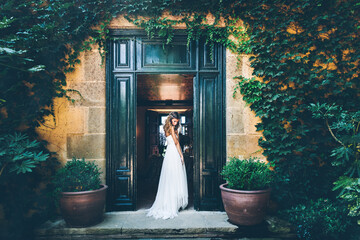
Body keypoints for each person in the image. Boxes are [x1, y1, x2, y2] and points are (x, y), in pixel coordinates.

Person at [146, 111, 188, 219]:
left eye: (177, 121)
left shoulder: (166, 129)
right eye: (174, 121)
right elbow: (176, 143)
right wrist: (181, 155)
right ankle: (173, 203)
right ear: (170, 120)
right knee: (175, 177)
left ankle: (173, 201)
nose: (175, 123)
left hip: (169, 153)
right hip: (173, 153)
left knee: (171, 177)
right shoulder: (172, 129)